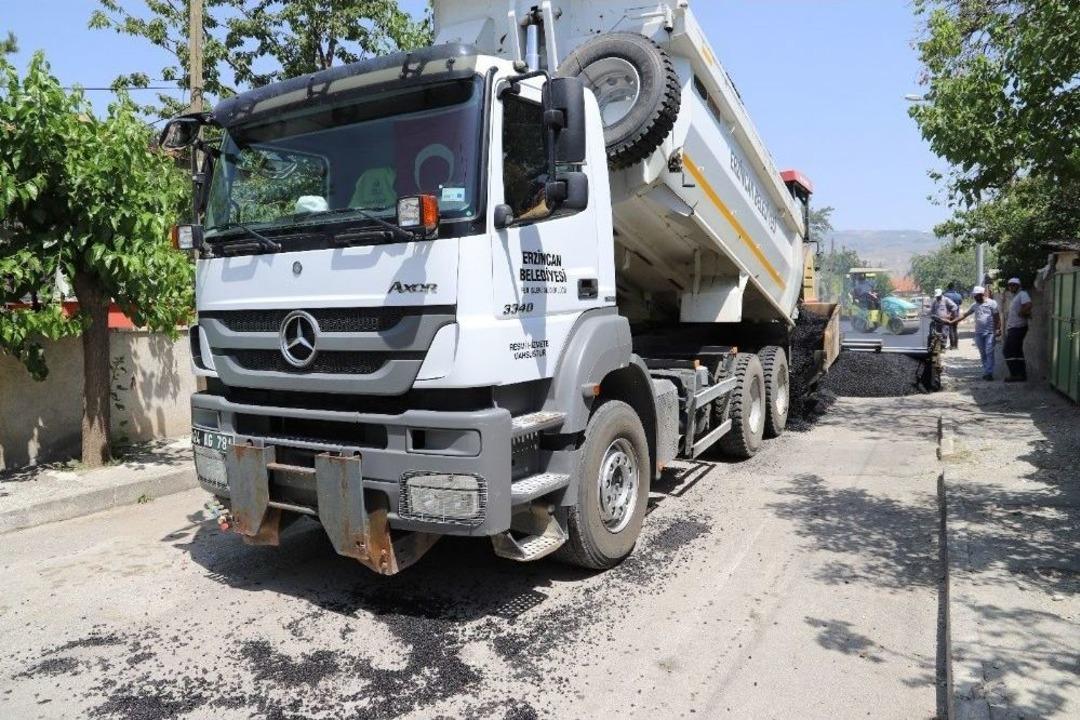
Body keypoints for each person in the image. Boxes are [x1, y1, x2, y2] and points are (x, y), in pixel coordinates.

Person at [950, 285, 1000, 380]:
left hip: (990, 333)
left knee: (989, 352)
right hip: (979, 333)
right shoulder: (975, 305)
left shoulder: (992, 303)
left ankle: (989, 373)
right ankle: (986, 371)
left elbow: (997, 317)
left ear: (982, 294)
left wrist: (998, 329)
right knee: (983, 353)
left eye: (976, 296)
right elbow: (965, 315)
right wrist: (953, 321)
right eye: (974, 296)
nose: (975, 297)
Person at [1003, 277, 1032, 382]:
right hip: (1014, 328)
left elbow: (1028, 305)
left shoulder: (1022, 294)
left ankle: (1015, 374)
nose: (1011, 287)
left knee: (1008, 351)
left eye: (1013, 285)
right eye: (1010, 285)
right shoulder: (1016, 296)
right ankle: (1021, 374)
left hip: (1018, 327)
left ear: (1018, 286)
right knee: (1017, 351)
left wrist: (1022, 312)